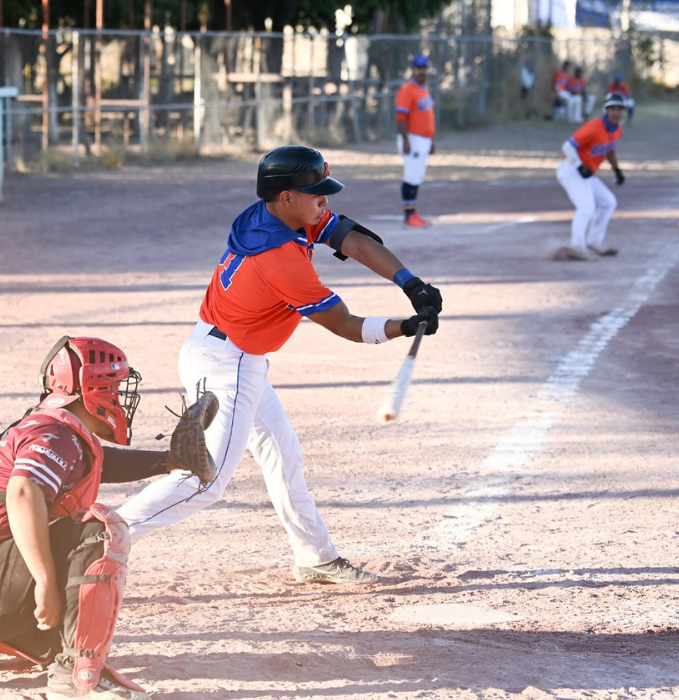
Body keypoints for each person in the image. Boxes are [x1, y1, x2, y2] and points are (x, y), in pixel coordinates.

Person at [115, 146, 444, 586]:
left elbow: (354, 239)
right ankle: (97, 537)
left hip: (229, 355)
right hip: (226, 366)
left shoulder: (270, 215)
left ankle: (314, 556)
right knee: (204, 480)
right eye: (317, 195)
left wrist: (411, 283)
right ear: (287, 196)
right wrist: (404, 326)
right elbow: (345, 324)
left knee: (283, 454)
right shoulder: (281, 260)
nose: (325, 203)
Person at [0, 336, 216, 700]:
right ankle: (78, 677)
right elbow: (23, 492)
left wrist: (169, 462)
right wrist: (44, 581)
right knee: (102, 530)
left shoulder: (58, 430)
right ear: (89, 388)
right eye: (113, 386)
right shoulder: (54, 433)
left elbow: (99, 464)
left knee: (64, 629)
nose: (119, 396)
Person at [554, 93, 628, 261]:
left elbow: (609, 149)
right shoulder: (594, 127)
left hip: (585, 173)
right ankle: (577, 246)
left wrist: (616, 170)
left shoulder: (617, 130)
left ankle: (593, 243)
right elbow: (567, 146)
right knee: (587, 207)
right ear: (606, 111)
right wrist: (579, 165)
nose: (616, 113)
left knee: (608, 202)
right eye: (613, 109)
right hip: (571, 169)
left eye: (620, 109)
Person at [394, 54, 436, 228]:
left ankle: (413, 212)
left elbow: (426, 118)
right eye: (419, 68)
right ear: (413, 69)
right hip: (412, 138)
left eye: (424, 68)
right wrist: (406, 140)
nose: (422, 71)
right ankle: (409, 214)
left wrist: (430, 140)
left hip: (423, 139)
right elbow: (401, 117)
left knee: (417, 176)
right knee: (411, 176)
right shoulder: (407, 90)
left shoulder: (423, 89)